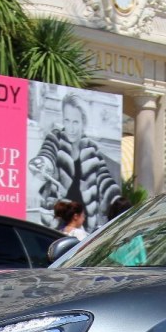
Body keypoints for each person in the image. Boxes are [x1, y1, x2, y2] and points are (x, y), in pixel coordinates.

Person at [29, 93, 122, 232]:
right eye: (67, 120)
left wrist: (119, 203)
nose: (70, 128)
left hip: (84, 226)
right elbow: (46, 154)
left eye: (75, 122)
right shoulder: (55, 138)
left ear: (83, 123)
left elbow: (105, 180)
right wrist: (42, 165)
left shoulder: (92, 149)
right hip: (57, 224)